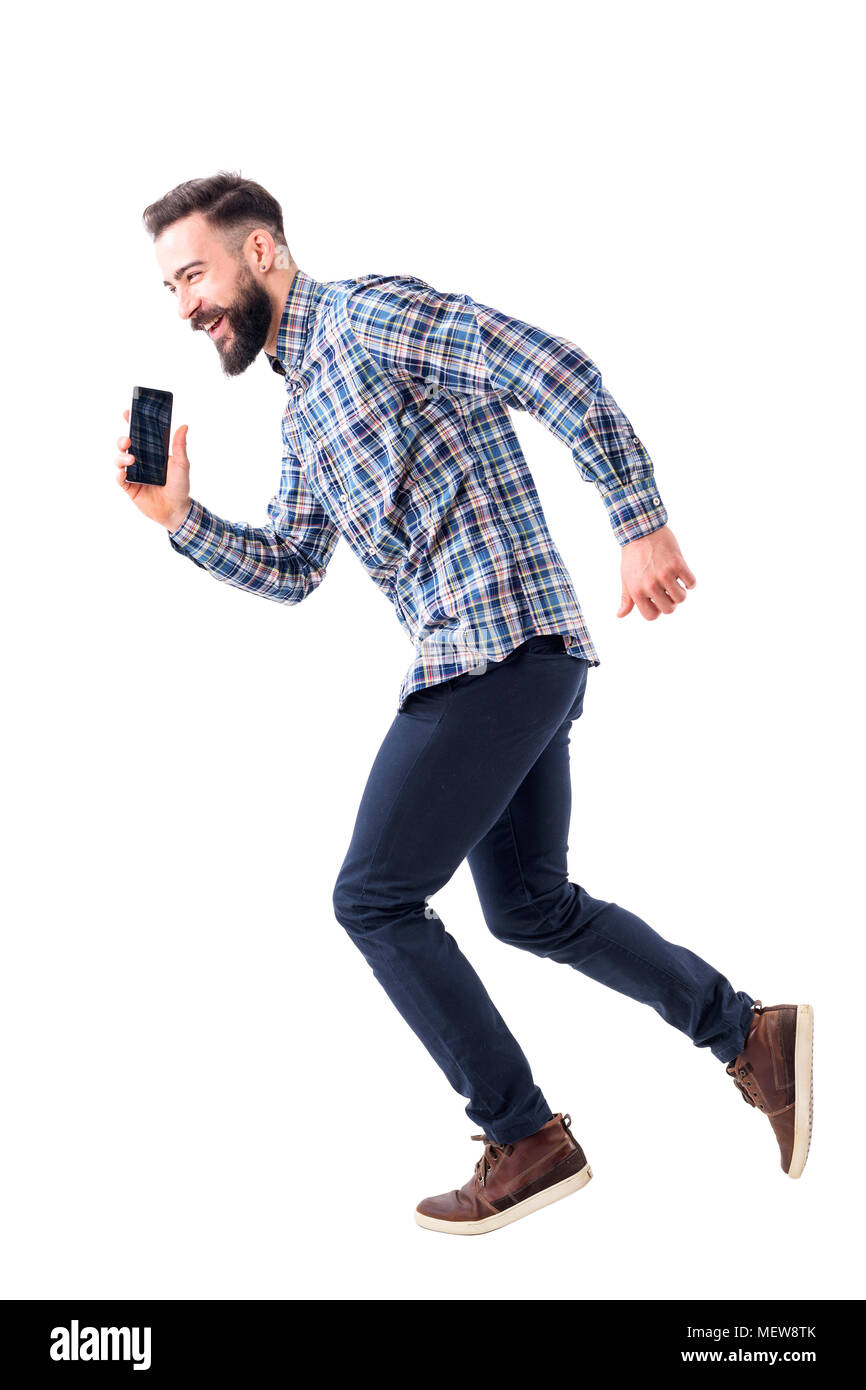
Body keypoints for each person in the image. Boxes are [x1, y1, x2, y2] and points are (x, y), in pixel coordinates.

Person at [114, 172, 813, 1236]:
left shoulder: (372, 316)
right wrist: (179, 517)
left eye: (194, 273)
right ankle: (745, 1033)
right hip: (510, 661)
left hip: (492, 651)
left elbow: (553, 370)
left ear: (261, 250)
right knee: (530, 907)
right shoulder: (306, 410)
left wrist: (639, 520)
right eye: (167, 288)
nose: (184, 306)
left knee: (372, 898)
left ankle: (523, 1134)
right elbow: (296, 566)